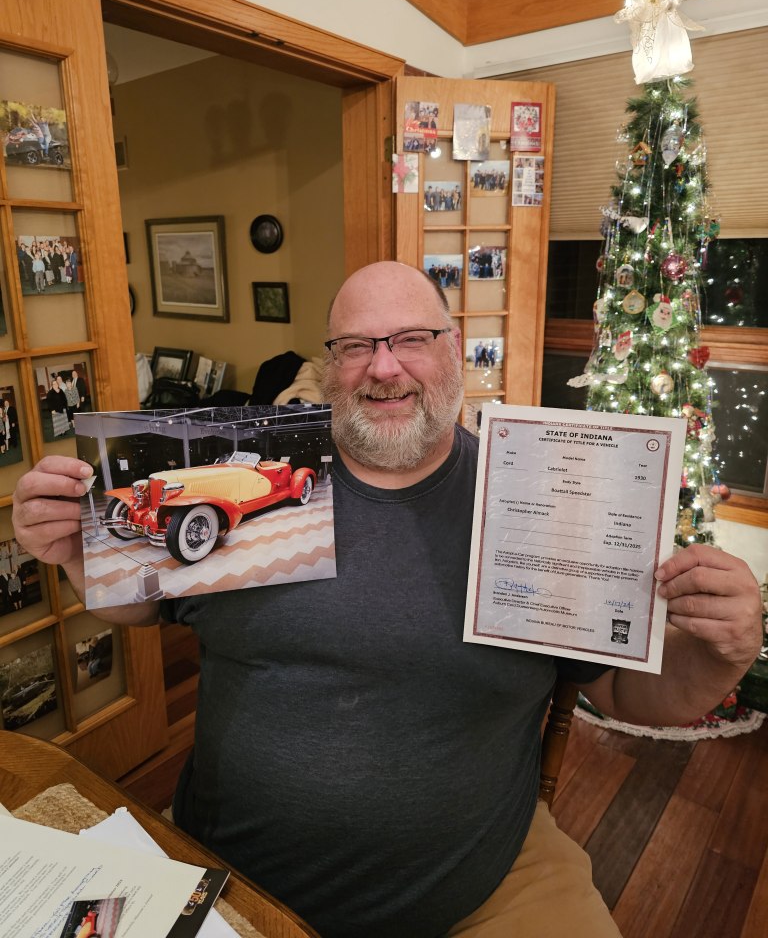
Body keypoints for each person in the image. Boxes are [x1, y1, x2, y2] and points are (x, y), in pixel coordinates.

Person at [11, 263, 762, 938]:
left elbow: (625, 691)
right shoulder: (264, 467)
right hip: (224, 869)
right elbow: (142, 605)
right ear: (329, 366)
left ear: (454, 348)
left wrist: (721, 656)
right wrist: (78, 554)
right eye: (354, 346)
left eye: (411, 339)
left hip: (475, 887)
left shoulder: (542, 501)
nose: (384, 367)